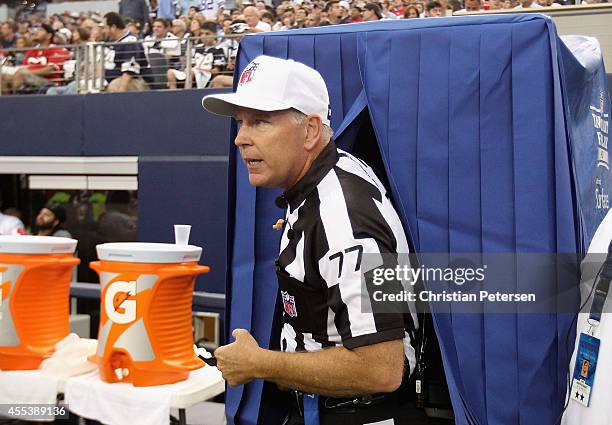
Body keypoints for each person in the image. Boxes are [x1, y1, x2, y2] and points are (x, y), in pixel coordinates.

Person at [202, 55, 426, 425]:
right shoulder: (329, 178)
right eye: (241, 122)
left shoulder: (341, 217)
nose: (241, 138)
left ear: (309, 131)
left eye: (260, 121)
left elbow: (380, 369)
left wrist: (260, 364)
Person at [102, 12, 150, 92]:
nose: (104, 31)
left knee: (114, 86)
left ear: (113, 27)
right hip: (111, 80)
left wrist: (121, 93)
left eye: (105, 27)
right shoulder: (113, 42)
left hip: (133, 82)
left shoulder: (130, 42)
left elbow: (129, 72)